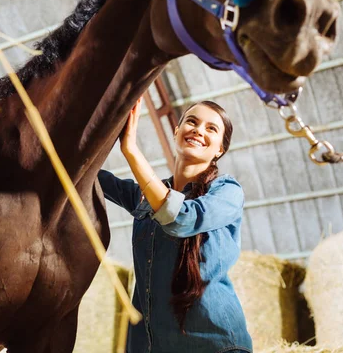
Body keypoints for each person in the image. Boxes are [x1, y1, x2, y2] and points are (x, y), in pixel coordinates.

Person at [98, 99, 252, 353]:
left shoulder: (227, 191)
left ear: (220, 150)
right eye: (191, 121)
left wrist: (131, 151)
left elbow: (181, 218)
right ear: (176, 131)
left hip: (215, 346)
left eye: (211, 129)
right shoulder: (146, 196)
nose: (198, 130)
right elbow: (89, 175)